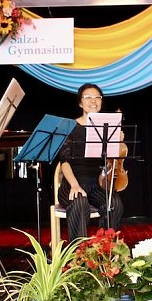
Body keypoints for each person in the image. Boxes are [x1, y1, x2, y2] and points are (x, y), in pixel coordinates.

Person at [57, 83, 124, 241]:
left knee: (114, 203)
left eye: (97, 97)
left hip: (96, 183)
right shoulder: (70, 126)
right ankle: (78, 255)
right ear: (80, 103)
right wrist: (74, 185)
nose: (93, 101)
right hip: (72, 182)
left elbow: (110, 163)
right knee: (80, 203)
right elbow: (64, 162)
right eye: (88, 97)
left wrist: (117, 143)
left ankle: (106, 250)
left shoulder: (107, 127)